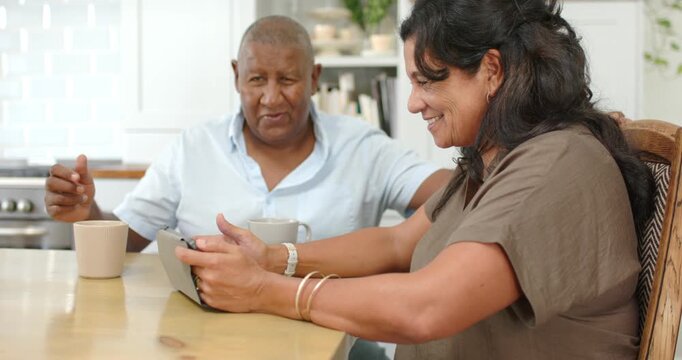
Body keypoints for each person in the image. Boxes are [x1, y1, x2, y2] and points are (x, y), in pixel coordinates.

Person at [175, 1, 656, 359]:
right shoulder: (491, 163)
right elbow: (397, 244)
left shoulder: (556, 165)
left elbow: (426, 308)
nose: (413, 102)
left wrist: (264, 290)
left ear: (491, 70)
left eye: (429, 81)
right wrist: (276, 258)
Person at [44, 16, 449, 253]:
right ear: (236, 76)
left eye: (288, 79)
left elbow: (451, 190)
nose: (272, 98)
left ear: (313, 78)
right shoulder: (192, 149)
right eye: (257, 79)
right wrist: (88, 214)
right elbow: (127, 239)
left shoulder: (364, 148)